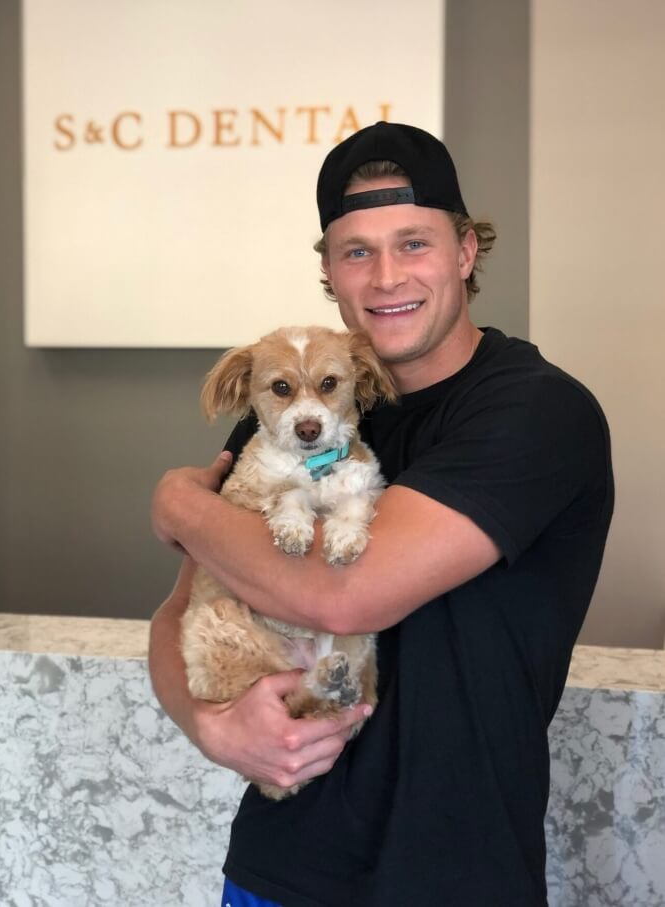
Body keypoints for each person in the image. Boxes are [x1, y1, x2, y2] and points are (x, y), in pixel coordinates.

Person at [149, 122, 614, 907]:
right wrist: (209, 722)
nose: (387, 275)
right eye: (357, 251)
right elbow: (178, 612)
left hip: (456, 878)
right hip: (275, 872)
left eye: (414, 243)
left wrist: (177, 502)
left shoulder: (536, 412)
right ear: (328, 270)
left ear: (465, 251)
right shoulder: (289, 414)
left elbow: (346, 595)